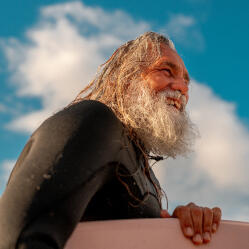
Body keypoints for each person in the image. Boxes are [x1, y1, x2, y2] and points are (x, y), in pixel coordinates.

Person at [0, 32, 221, 249]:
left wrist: (177, 228)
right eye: (166, 70)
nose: (182, 88)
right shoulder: (95, 121)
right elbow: (17, 237)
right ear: (124, 79)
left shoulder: (141, 167)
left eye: (185, 81)